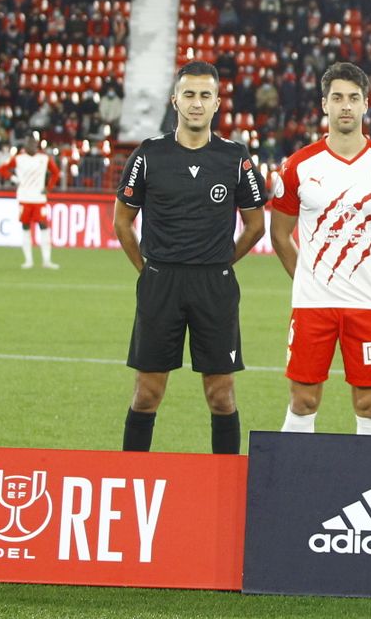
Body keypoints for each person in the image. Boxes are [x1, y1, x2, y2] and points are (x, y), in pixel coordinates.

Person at [114, 60, 268, 455]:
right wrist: (146, 269)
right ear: (175, 101)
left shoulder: (235, 157)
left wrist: (222, 262)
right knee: (147, 393)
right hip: (160, 283)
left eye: (204, 95)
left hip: (214, 286)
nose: (196, 103)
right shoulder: (149, 154)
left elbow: (256, 226)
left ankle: (226, 483)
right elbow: (122, 221)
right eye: (189, 95)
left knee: (221, 394)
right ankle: (132, 480)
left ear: (217, 103)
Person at [269, 62, 371, 436]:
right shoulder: (298, 166)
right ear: (324, 104)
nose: (346, 106)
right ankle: (292, 471)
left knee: (370, 403)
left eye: (353, 98)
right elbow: (280, 234)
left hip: (367, 305)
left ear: (366, 104)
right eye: (337, 98)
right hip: (312, 304)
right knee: (303, 400)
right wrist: (308, 278)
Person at [0, 133, 63, 269]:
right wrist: (14, 178)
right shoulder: (19, 158)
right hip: (24, 198)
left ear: (37, 145)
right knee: (25, 227)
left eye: (33, 144)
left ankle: (46, 260)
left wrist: (48, 188)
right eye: (29, 144)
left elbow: (56, 172)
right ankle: (28, 260)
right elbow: (2, 169)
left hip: (39, 199)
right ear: (25, 146)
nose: (32, 146)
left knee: (43, 226)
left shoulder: (44, 158)